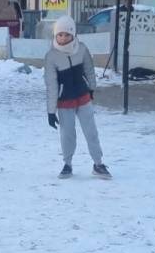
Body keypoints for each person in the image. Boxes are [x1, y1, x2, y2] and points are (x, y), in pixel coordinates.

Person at [44, 15, 110, 180]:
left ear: (73, 34)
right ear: (55, 35)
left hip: (82, 97)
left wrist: (92, 88)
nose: (63, 38)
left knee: (91, 132)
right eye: (60, 34)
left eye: (67, 34)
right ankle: (67, 164)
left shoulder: (81, 49)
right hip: (64, 101)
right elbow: (51, 85)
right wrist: (51, 111)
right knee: (68, 134)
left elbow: (89, 69)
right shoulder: (51, 56)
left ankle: (98, 164)